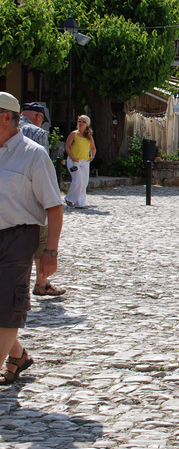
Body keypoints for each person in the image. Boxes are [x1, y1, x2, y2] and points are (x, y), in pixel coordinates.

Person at [0, 92, 63, 385]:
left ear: (4, 118)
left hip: (19, 237)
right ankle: (18, 355)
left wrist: (50, 251)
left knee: (8, 308)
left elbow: (53, 206)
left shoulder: (33, 154)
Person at [20, 103, 65, 296]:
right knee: (41, 238)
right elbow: (43, 167)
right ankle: (41, 281)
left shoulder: (10, 128)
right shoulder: (37, 133)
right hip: (32, 195)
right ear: (39, 117)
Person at [64, 115, 96, 209]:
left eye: (83, 122)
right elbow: (67, 146)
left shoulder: (88, 136)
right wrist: (72, 157)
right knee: (78, 180)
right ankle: (69, 198)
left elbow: (93, 148)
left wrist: (92, 156)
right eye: (80, 121)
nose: (81, 123)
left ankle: (80, 203)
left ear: (87, 124)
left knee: (84, 182)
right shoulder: (74, 134)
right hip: (74, 161)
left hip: (85, 161)